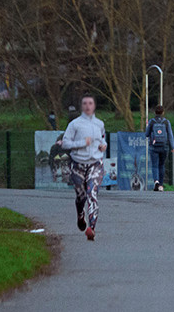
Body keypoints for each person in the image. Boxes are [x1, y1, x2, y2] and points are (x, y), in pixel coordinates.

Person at [56, 94, 107, 241]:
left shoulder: (99, 124)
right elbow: (65, 143)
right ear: (81, 106)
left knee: (92, 193)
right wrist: (81, 143)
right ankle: (80, 215)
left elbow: (102, 139)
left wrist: (103, 146)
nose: (88, 106)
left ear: (94, 106)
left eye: (90, 103)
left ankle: (92, 228)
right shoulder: (74, 124)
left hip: (95, 163)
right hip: (78, 164)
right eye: (85, 103)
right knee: (81, 196)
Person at [145, 105, 174, 191]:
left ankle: (156, 181)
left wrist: (147, 126)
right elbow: (170, 135)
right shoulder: (166, 122)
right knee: (161, 165)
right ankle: (161, 185)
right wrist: (172, 147)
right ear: (163, 112)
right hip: (164, 147)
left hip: (154, 147)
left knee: (155, 165)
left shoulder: (152, 122)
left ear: (155, 112)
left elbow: (146, 134)